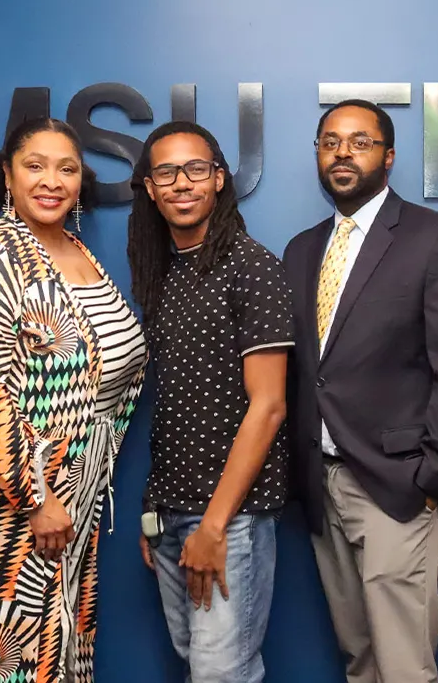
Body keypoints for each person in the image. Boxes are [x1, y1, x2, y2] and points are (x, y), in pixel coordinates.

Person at [0, 117, 148, 683]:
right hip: (7, 496)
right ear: (7, 174)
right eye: (35, 165)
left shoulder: (72, 248)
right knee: (9, 653)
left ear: (81, 183)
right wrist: (36, 498)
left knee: (59, 642)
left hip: (74, 484)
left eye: (67, 169)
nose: (51, 181)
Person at [282, 99, 438, 683]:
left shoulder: (436, 237)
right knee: (361, 659)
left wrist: (435, 478)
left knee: (403, 667)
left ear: (390, 156)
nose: (343, 153)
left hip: (399, 486)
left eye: (360, 141)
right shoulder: (302, 250)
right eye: (330, 142)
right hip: (321, 485)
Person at [126, 121, 292, 683]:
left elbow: (268, 407)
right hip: (171, 513)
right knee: (197, 662)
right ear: (150, 188)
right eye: (166, 172)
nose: (181, 183)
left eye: (196, 169)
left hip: (229, 517)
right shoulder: (165, 274)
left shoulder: (254, 268)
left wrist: (214, 527)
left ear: (219, 179)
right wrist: (156, 514)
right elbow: (170, 405)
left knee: (222, 673)